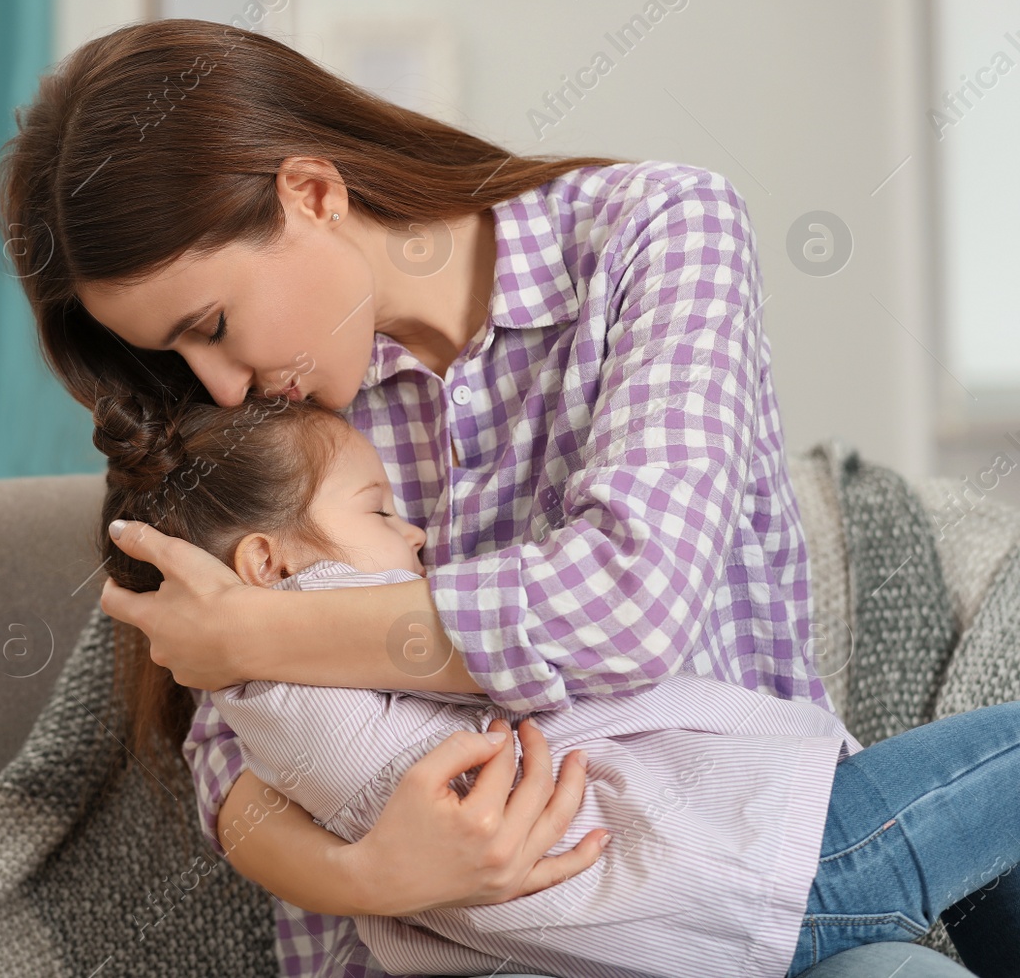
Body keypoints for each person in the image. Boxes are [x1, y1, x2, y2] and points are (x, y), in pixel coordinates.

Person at [0, 17, 986, 976]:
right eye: (172, 351)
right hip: (458, 947)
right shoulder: (276, 426)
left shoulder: (654, 232)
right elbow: (229, 753)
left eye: (210, 322)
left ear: (309, 192)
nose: (215, 384)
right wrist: (362, 872)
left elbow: (625, 602)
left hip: (745, 868)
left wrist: (253, 634)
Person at [90, 388, 1020, 977]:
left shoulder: (281, 697)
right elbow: (564, 623)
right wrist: (246, 628)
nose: (417, 537)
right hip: (773, 861)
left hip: (740, 898)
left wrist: (242, 629)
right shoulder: (297, 701)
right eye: (378, 512)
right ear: (269, 563)